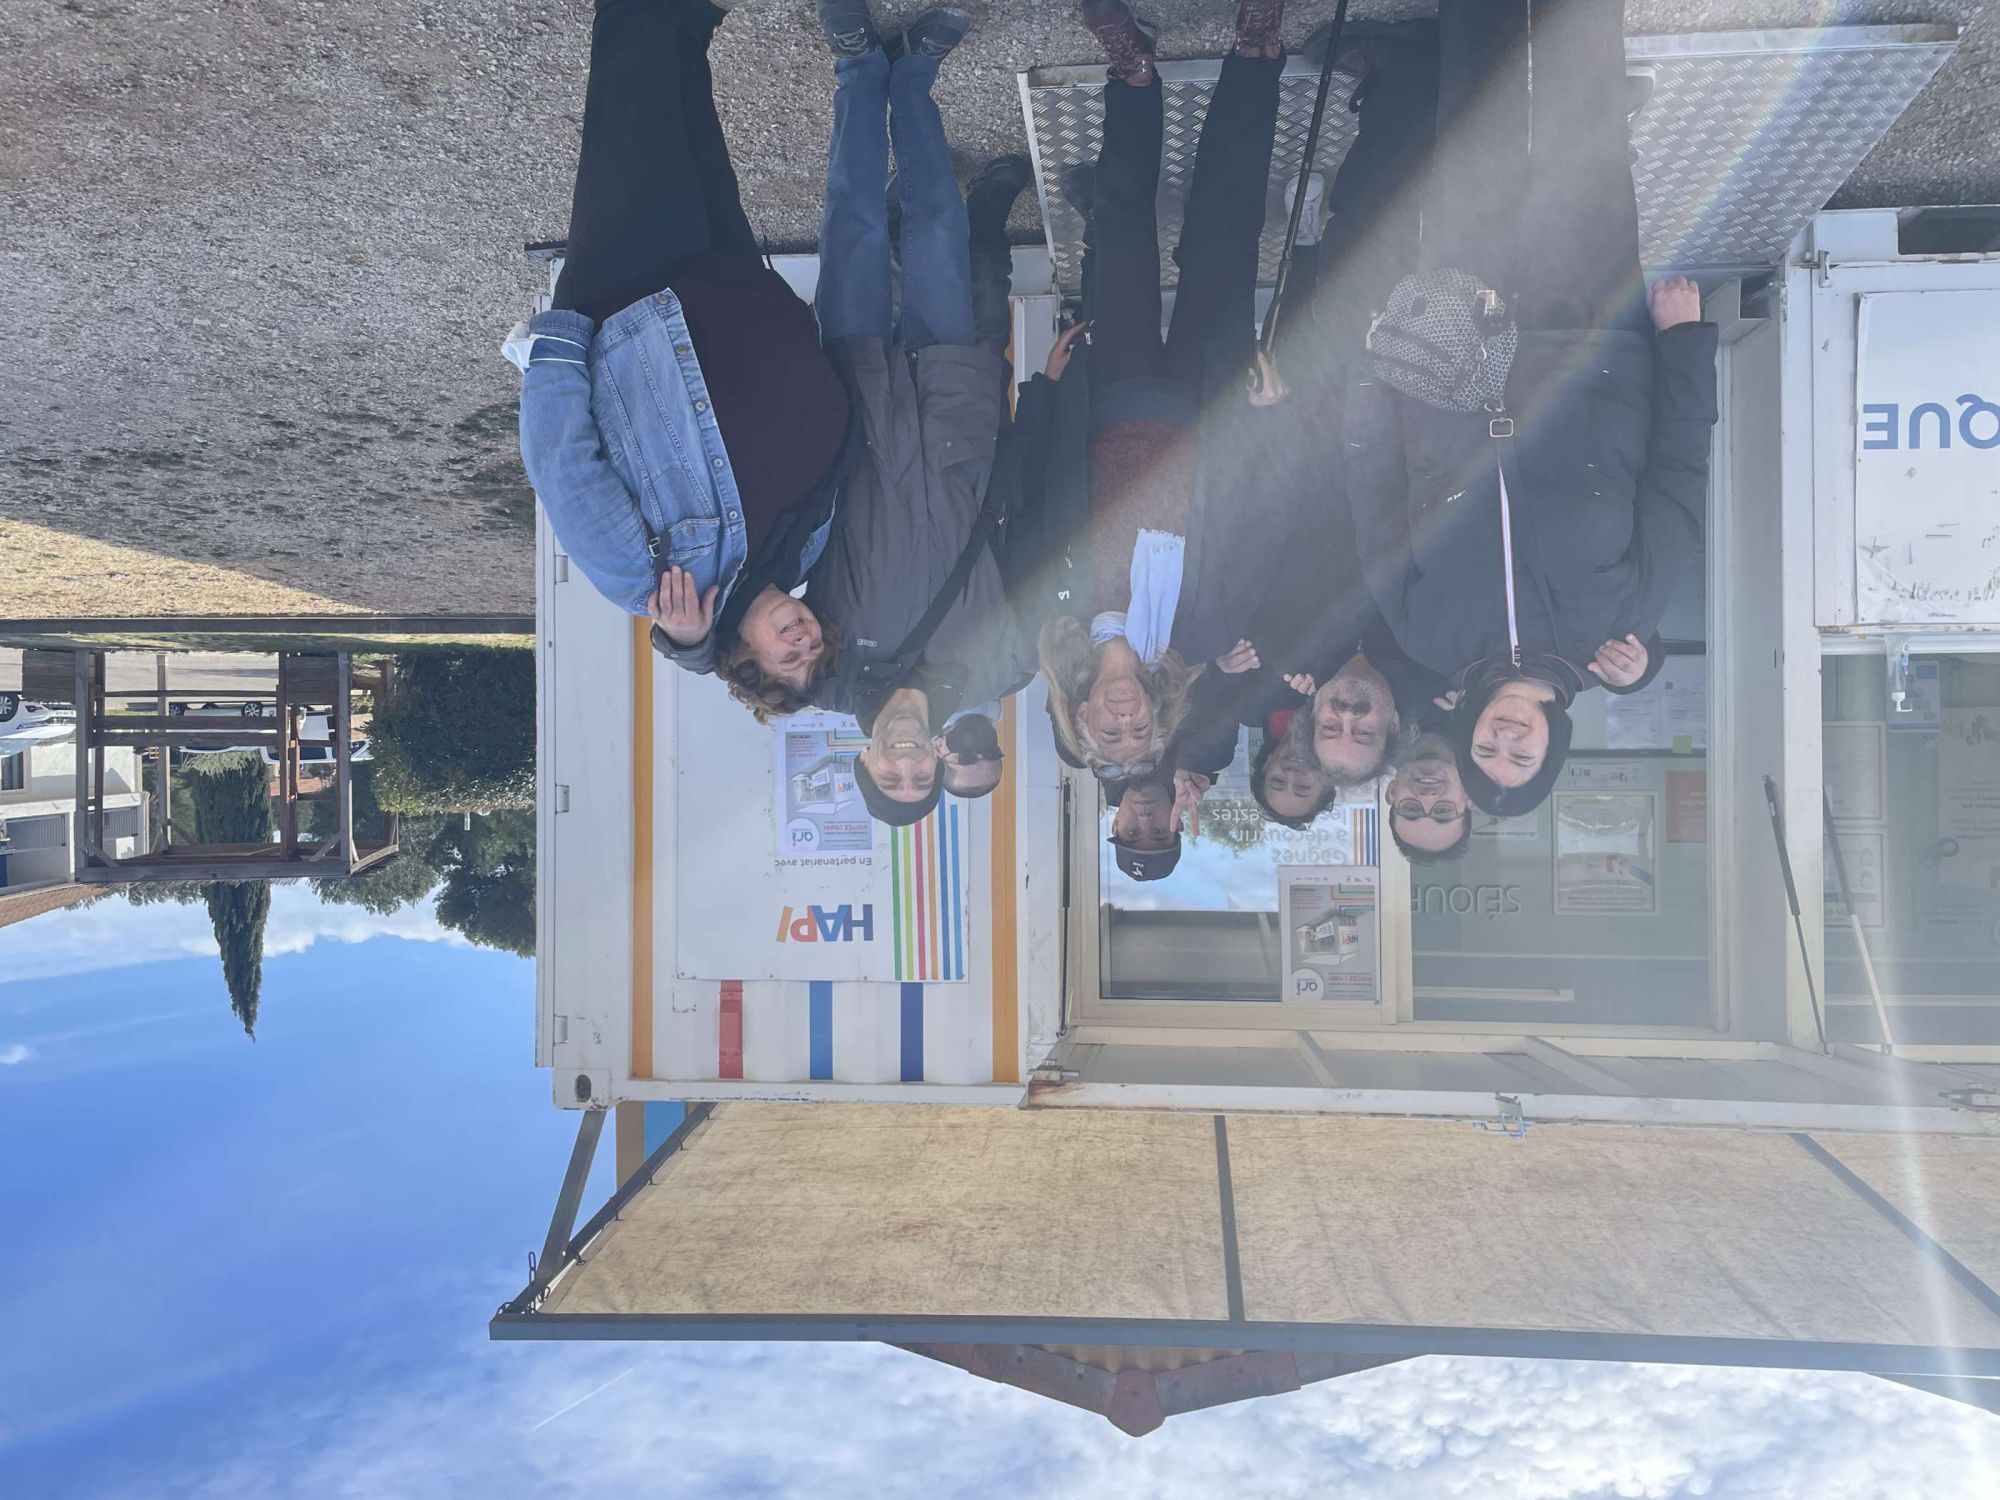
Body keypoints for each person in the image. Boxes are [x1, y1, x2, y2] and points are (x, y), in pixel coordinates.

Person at [1343, 0, 1716, 819]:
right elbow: (1679, 478)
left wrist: (1372, 380)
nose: (1506, 739)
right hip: (1592, 341)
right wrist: (1685, 349)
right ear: (1553, 744)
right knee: (1586, 128)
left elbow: (1374, 501)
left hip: (1453, 347)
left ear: (1470, 734)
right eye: (1523, 755)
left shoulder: (1427, 639)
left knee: (1472, 141)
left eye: (1488, 751)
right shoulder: (1617, 629)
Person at [511, 0, 854, 703]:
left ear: (744, 656)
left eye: (788, 659)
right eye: (815, 646)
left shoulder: (655, 583)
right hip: (730, 284)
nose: (802, 640)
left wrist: (560, 341)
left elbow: (563, 466)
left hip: (636, 299)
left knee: (629, 123)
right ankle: (688, 24)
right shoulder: (799, 557)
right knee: (694, 138)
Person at [1027, 0, 1303, 783]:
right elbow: (1264, 520)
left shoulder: (1058, 615)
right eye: (1138, 734)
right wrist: (1271, 422)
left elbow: (1035, 499)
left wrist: (1046, 395)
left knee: (1119, 235)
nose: (1123, 722)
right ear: (1157, 714)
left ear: (1078, 713)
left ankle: (1132, 76)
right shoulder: (1204, 631)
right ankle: (1255, 59)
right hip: (1207, 408)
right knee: (1224, 237)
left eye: (1106, 735)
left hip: (1109, 398)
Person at [789, 4, 1037, 798]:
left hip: (856, 408)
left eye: (889, 775)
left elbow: (738, 636)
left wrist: (686, 638)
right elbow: (1039, 550)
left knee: (854, 228)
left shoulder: (823, 678)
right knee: (937, 229)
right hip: (955, 414)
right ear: (937, 758)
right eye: (918, 774)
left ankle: (860, 68)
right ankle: (916, 74)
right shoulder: (997, 669)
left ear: (863, 762)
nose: (904, 761)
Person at [1386, 710, 1472, 862]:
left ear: (1392, 792)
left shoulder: (1372, 727)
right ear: (1468, 796)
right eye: (1443, 810)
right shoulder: (1492, 729)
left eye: (1411, 808)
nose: (1427, 796)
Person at [1106, 767, 1210, 883]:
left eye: (1132, 832)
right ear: (1177, 823)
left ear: (1116, 824)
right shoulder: (1193, 775)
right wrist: (1188, 764)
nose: (1144, 819)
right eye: (1158, 831)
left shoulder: (1101, 770)